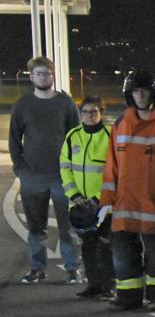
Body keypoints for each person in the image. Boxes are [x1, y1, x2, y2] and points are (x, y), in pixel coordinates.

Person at [100, 70, 155, 311]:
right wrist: (106, 202)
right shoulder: (120, 125)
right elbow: (111, 166)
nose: (140, 95)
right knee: (124, 255)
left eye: (144, 90)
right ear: (129, 94)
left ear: (154, 93)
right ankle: (128, 297)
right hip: (125, 205)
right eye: (136, 90)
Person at [9, 56, 81, 284]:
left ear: (53, 75)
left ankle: (72, 269)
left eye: (46, 73)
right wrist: (20, 167)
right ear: (31, 77)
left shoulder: (66, 104)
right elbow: (14, 139)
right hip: (32, 177)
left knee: (68, 227)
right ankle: (37, 269)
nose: (43, 77)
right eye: (38, 74)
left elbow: (76, 137)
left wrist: (74, 170)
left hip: (62, 176)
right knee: (36, 227)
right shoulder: (23, 105)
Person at [59, 95, 113, 299]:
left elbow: (116, 172)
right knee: (88, 247)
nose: (89, 115)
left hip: (104, 204)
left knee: (106, 247)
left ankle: (109, 287)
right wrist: (74, 195)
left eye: (94, 111)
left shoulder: (110, 136)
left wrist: (100, 198)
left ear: (101, 113)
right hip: (80, 205)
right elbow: (65, 168)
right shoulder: (73, 136)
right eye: (85, 112)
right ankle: (94, 285)